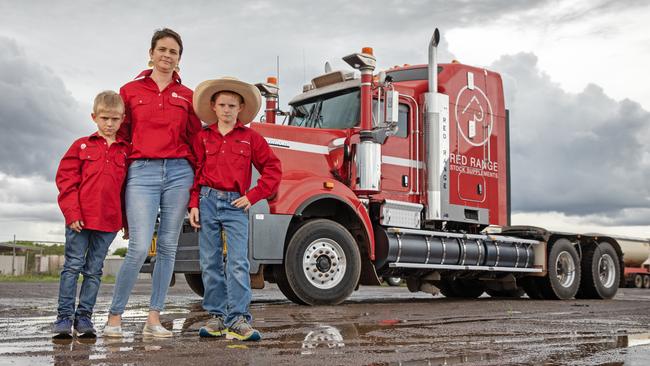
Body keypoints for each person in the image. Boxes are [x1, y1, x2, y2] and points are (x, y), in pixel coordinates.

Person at [104, 28, 201, 338]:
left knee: (169, 248)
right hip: (141, 172)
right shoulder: (129, 91)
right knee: (140, 246)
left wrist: (197, 190)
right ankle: (114, 318)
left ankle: (154, 319)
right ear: (151, 53)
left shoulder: (188, 96)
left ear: (179, 59)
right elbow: (121, 138)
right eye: (162, 49)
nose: (167, 55)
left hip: (178, 173)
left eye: (173, 52)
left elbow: (196, 140)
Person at [189, 77, 282, 341]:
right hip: (206, 201)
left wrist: (253, 196)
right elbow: (194, 173)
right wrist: (193, 203)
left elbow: (273, 169)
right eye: (222, 105)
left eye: (232, 105)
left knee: (238, 262)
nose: (227, 109)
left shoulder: (251, 138)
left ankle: (238, 319)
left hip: (235, 204)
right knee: (210, 262)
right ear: (213, 107)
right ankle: (217, 317)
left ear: (240, 108)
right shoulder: (202, 137)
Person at [53, 91, 129, 338]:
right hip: (80, 220)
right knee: (73, 266)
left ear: (122, 119)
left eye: (115, 119)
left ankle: (84, 318)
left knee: (94, 270)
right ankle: (64, 318)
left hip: (108, 222)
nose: (110, 124)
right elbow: (66, 180)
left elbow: (127, 190)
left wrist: (126, 222)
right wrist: (71, 212)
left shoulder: (126, 151)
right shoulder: (81, 146)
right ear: (94, 117)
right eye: (105, 118)